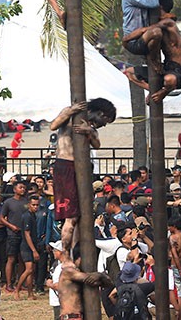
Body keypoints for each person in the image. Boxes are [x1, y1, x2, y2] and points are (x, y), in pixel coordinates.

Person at [50, 99, 116, 251]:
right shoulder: (70, 114)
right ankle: (65, 254)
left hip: (81, 169)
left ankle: (74, 252)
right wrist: (72, 110)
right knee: (71, 217)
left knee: (79, 215)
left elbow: (97, 144)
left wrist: (89, 131)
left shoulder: (90, 127)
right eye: (105, 120)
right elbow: (53, 126)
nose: (104, 124)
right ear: (100, 113)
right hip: (66, 165)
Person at [57, 244, 111, 319]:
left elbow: (109, 283)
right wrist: (100, 275)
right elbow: (91, 278)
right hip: (71, 317)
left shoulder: (78, 274)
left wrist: (99, 276)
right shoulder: (68, 272)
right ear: (79, 259)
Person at [0, 180, 27, 292]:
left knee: (22, 259)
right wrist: (11, 226)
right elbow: (1, 218)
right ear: (15, 189)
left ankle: (20, 282)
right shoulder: (8, 202)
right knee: (11, 258)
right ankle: (9, 283)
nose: (23, 189)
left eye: (24, 188)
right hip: (12, 234)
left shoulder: (26, 202)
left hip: (24, 233)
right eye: (20, 187)